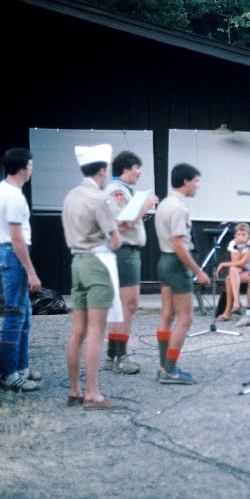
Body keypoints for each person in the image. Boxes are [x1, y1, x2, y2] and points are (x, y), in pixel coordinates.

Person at [62, 144, 125, 408]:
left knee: (78, 330)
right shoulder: (98, 199)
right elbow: (116, 242)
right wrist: (119, 228)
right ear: (102, 171)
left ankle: (75, 390)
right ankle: (93, 394)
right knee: (97, 331)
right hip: (98, 263)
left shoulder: (71, 195)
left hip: (77, 261)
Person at [0, 148, 42, 392]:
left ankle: (21, 367)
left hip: (2, 252)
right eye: (30, 165)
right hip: (12, 255)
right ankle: (8, 374)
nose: (32, 169)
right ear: (22, 168)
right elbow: (17, 239)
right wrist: (31, 272)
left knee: (24, 313)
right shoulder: (15, 197)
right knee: (14, 316)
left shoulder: (1, 189)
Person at [154, 163, 211, 384]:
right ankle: (170, 369)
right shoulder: (179, 208)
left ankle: (163, 365)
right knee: (185, 318)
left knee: (167, 315)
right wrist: (198, 271)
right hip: (176, 263)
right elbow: (179, 244)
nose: (198, 185)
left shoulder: (166, 204)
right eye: (196, 181)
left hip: (164, 261)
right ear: (185, 182)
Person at [103, 151, 159, 374]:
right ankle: (119, 357)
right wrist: (146, 205)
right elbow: (123, 222)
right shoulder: (117, 190)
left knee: (122, 306)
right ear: (126, 169)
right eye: (137, 167)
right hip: (124, 251)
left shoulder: (122, 190)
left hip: (125, 251)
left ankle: (112, 355)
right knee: (129, 304)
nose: (140, 172)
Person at [215, 223, 250, 321]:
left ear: (248, 235)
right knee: (232, 270)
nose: (241, 237)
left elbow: (243, 262)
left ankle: (229, 311)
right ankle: (236, 304)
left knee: (229, 279)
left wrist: (223, 264)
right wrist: (239, 247)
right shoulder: (233, 243)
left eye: (244, 234)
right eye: (239, 234)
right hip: (243, 270)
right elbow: (235, 263)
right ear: (235, 235)